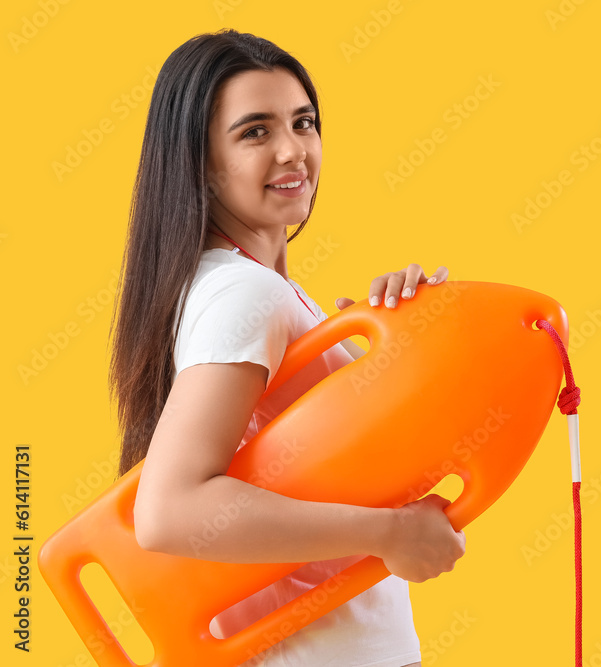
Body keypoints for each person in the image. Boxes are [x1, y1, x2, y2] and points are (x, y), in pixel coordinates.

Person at [108, 29, 465, 666]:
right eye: (255, 131)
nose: (293, 151)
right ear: (198, 161)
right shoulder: (245, 295)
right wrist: (389, 534)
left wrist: (402, 346)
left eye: (304, 123)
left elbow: (340, 468)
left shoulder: (248, 288)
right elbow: (169, 509)